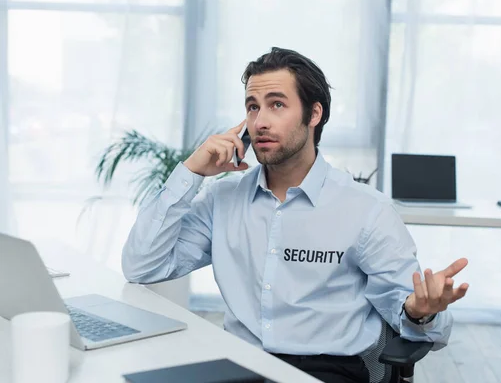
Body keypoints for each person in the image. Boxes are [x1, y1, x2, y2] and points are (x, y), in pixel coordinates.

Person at [121, 47, 469, 383]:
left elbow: (413, 315)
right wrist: (191, 171)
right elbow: (143, 265)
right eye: (253, 107)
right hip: (237, 364)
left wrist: (421, 310)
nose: (260, 121)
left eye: (277, 105)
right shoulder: (222, 199)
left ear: (313, 114)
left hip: (325, 370)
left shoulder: (366, 210)